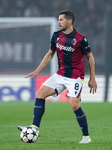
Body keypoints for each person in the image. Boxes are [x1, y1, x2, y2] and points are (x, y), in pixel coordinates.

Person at [18, 10, 97, 144]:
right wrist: (38, 70)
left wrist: (92, 78)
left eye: (61, 19)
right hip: (60, 74)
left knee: (74, 104)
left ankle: (86, 137)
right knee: (40, 94)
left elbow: (90, 57)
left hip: (75, 77)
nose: (58, 22)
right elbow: (50, 54)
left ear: (69, 21)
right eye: (58, 20)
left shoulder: (80, 39)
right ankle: (34, 128)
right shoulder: (56, 36)